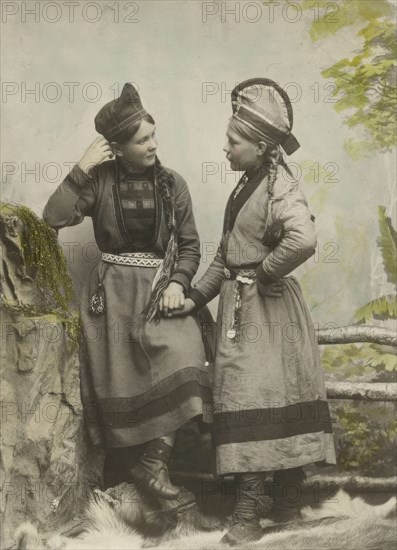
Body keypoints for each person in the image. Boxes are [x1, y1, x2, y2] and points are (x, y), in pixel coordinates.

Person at [169, 78, 337, 544]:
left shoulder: (280, 184)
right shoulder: (249, 183)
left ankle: (255, 510)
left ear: (261, 145)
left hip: (268, 311)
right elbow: (225, 255)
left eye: (233, 140)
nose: (224, 148)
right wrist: (194, 297)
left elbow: (301, 239)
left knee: (258, 399)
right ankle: (281, 503)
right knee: (251, 396)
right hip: (245, 308)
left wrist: (263, 274)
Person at [43, 83, 212, 501]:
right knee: (120, 385)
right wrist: (81, 167)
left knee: (186, 357)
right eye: (143, 140)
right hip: (113, 298)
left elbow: (189, 246)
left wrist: (177, 282)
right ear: (117, 148)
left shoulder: (173, 184)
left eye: (154, 135)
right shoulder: (98, 182)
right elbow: (53, 216)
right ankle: (123, 484)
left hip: (160, 293)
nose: (154, 145)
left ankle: (153, 462)